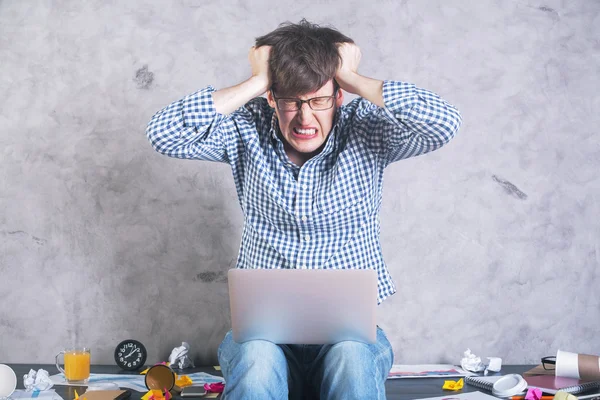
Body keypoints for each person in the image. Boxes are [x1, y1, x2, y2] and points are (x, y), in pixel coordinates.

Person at [146, 19, 461, 400]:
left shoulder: (366, 127)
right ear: (273, 98)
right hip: (263, 339)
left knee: (352, 359)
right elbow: (163, 134)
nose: (305, 117)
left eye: (319, 100)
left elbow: (444, 123)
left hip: (349, 340)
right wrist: (256, 81)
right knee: (258, 361)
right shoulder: (247, 127)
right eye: (292, 100)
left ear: (338, 96)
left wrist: (350, 75)